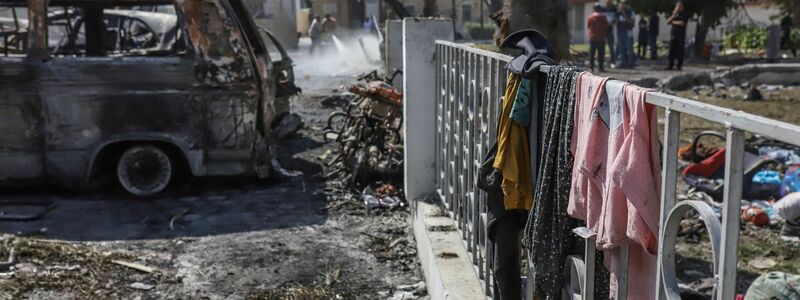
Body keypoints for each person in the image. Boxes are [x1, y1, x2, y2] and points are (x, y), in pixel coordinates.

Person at [666, 1, 688, 70]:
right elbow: (668, 22)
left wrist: (673, 22)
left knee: (680, 52)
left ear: (682, 7)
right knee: (671, 51)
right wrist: (673, 16)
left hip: (680, 36)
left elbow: (682, 23)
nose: (678, 8)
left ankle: (679, 66)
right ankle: (670, 65)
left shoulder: (684, 14)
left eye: (679, 6)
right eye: (677, 6)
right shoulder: (674, 15)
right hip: (673, 35)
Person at [588, 4, 610, 72]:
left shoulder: (590, 17)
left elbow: (588, 26)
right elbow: (606, 26)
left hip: (592, 37)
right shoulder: (603, 17)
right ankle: (601, 68)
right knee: (601, 54)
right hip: (601, 38)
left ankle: (591, 67)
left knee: (592, 54)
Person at [615, 1, 635, 68]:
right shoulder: (618, 13)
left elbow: (632, 22)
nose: (622, 7)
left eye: (623, 5)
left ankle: (630, 63)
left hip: (628, 32)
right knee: (621, 48)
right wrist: (617, 17)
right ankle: (623, 62)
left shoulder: (630, 12)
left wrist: (624, 15)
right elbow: (615, 24)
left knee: (629, 48)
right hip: (620, 32)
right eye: (620, 5)